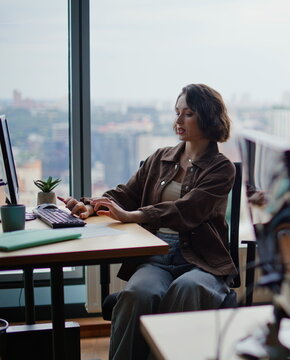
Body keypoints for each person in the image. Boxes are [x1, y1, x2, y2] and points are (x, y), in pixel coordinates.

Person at [62, 84, 238, 360]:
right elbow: (124, 195)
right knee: (139, 293)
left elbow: (188, 210)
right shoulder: (160, 158)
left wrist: (136, 216)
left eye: (188, 113)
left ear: (207, 117)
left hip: (202, 259)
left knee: (187, 288)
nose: (178, 121)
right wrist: (91, 205)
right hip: (157, 256)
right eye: (177, 112)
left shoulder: (221, 167)